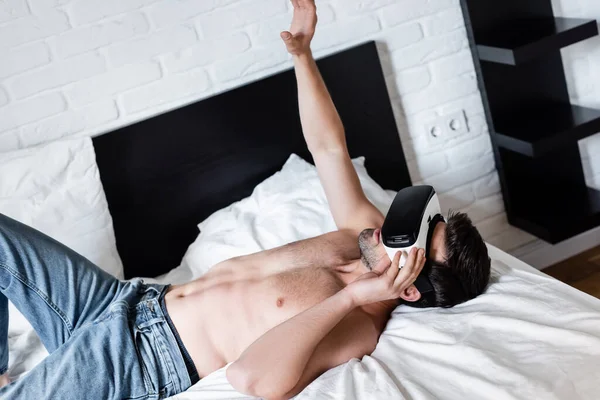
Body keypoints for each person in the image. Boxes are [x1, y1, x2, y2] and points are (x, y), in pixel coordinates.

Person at [0, 1, 490, 399]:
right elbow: (328, 148)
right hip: (125, 300)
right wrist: (302, 56)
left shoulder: (358, 326)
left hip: (142, 361)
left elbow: (251, 378)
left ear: (407, 287)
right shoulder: (361, 234)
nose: (401, 225)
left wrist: (353, 296)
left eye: (415, 241)